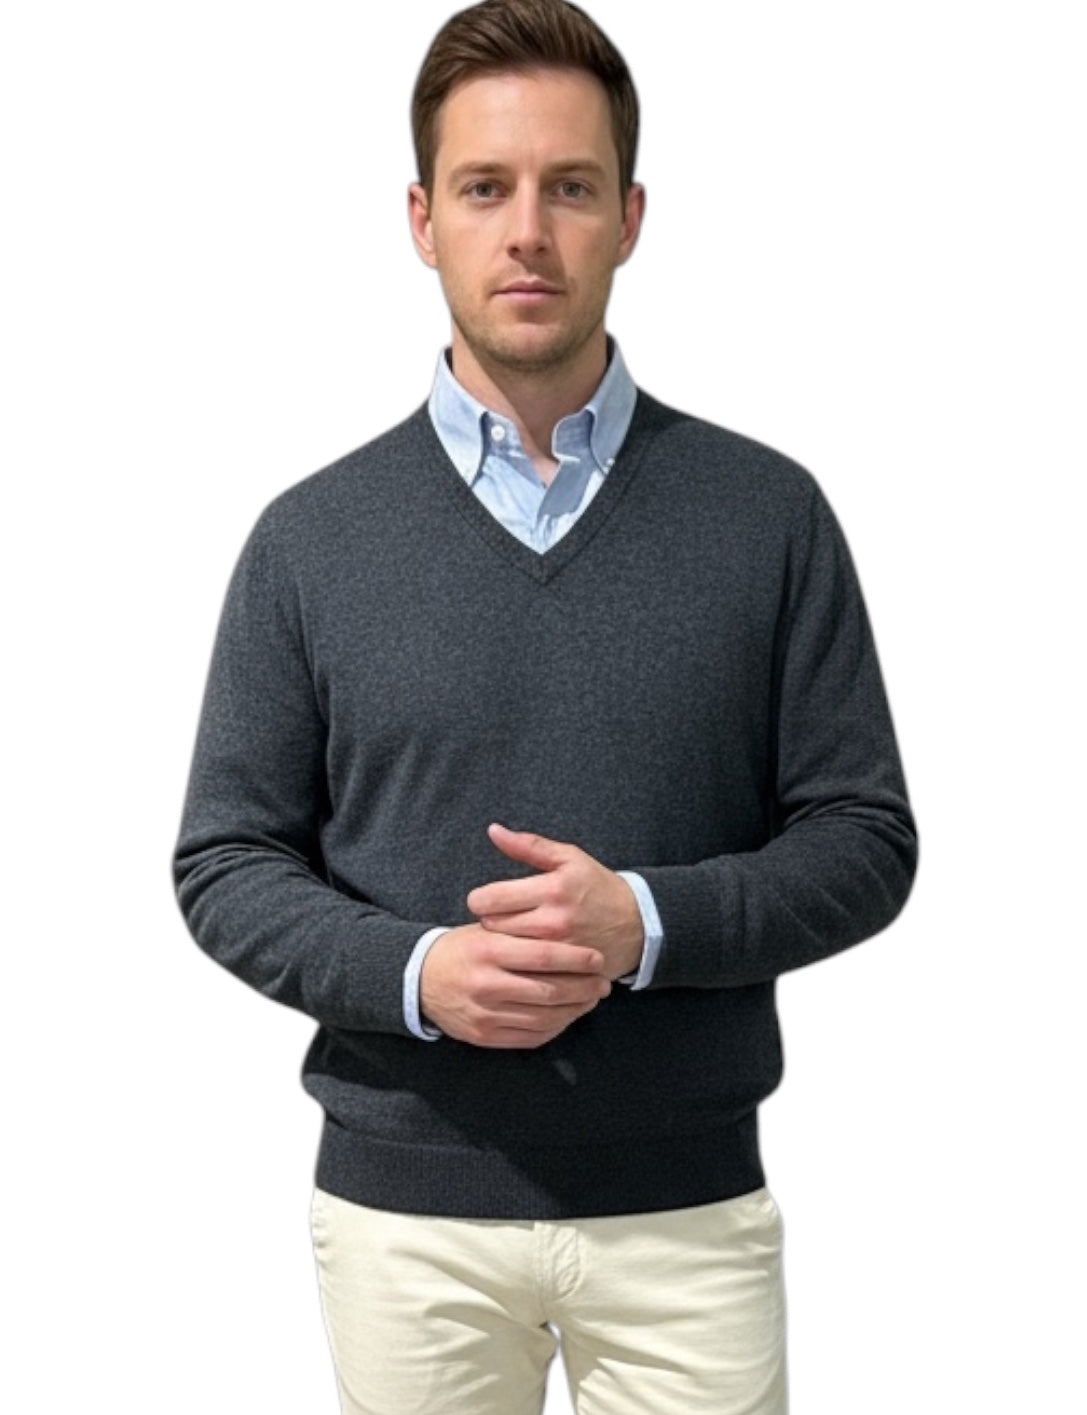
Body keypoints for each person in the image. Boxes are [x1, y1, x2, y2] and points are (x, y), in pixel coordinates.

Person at [173, 1, 917, 1410]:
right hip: (406, 1227)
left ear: (630, 217)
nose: (528, 231)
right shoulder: (308, 542)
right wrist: (416, 976)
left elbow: (865, 840)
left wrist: (646, 922)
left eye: (570, 187)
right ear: (421, 220)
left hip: (686, 1217)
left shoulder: (769, 516)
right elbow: (226, 861)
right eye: (484, 188)